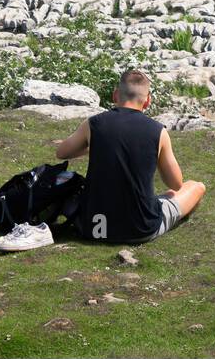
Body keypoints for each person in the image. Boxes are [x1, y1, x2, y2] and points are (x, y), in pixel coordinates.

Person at [55, 67, 206, 245]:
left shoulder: (94, 124)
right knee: (194, 186)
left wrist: (94, 147)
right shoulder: (157, 131)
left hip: (94, 228)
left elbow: (62, 153)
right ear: (147, 101)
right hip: (140, 228)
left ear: (115, 95)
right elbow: (176, 183)